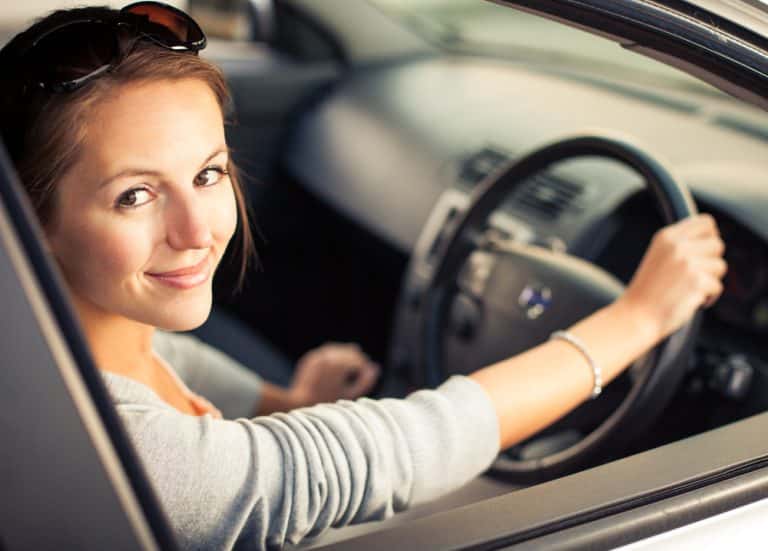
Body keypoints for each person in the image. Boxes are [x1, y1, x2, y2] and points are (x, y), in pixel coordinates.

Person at [0, 3, 727, 549]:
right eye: (135, 195)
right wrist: (637, 318)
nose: (199, 231)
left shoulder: (85, 342)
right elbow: (397, 448)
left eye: (209, 173)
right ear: (31, 223)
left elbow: (188, 374)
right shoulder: (134, 458)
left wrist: (291, 400)